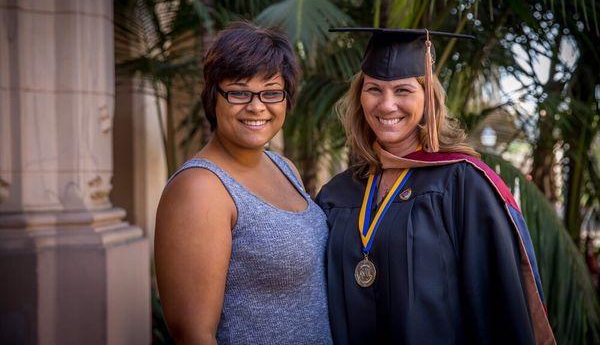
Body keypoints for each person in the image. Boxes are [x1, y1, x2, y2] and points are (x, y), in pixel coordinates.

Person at [316, 28, 555, 345]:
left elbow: (498, 306)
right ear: (360, 97)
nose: (387, 105)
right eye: (374, 89)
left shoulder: (463, 184)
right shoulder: (338, 193)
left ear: (428, 98)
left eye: (403, 90)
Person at [154, 22, 333, 345]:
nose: (256, 106)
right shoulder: (200, 188)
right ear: (214, 96)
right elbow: (194, 335)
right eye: (238, 92)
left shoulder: (284, 167)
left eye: (271, 92)